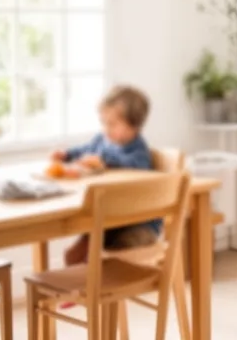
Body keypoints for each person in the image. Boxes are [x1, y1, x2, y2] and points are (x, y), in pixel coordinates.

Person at [49, 84, 160, 267]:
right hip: (108, 220)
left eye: (112, 124)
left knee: (104, 261)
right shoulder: (102, 140)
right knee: (73, 255)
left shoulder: (138, 150)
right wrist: (67, 155)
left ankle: (105, 293)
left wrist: (103, 158)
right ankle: (81, 294)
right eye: (103, 122)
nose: (106, 129)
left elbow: (134, 167)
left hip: (138, 225)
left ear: (134, 125)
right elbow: (85, 150)